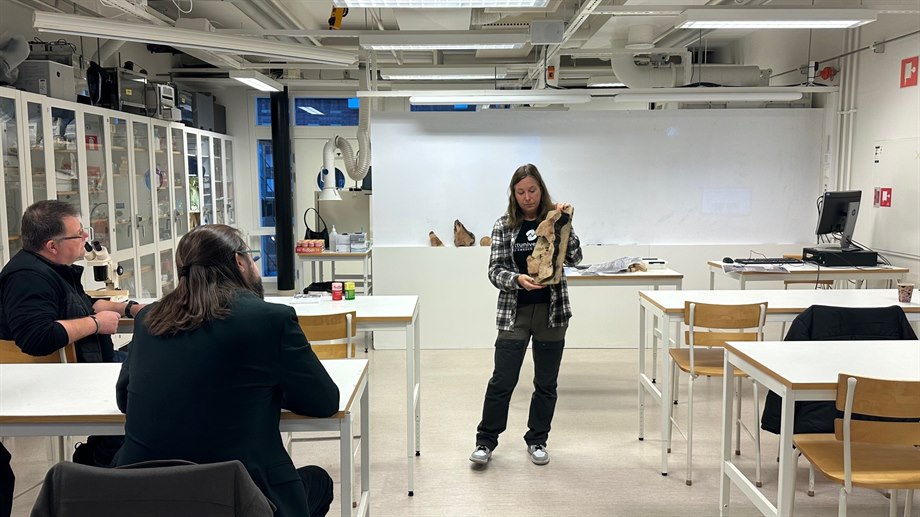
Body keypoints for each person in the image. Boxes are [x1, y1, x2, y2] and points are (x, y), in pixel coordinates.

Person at [115, 224, 340, 517]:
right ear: (239, 261)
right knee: (319, 481)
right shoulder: (271, 319)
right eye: (251, 257)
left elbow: (125, 399)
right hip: (241, 500)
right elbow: (324, 401)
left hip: (145, 496)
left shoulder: (149, 318)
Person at [0, 200, 142, 495]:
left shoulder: (50, 268)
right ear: (52, 246)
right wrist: (95, 324)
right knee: (143, 385)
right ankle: (98, 471)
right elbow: (36, 337)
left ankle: (100, 460)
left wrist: (127, 308)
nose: (85, 238)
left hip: (87, 362)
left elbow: (79, 304)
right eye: (78, 234)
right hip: (57, 378)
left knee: (146, 360)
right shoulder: (27, 278)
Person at [470, 163, 582, 467]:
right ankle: (485, 441)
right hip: (514, 314)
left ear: (541, 190)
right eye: (521, 192)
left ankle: (537, 440)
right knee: (502, 380)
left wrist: (564, 223)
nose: (527, 197)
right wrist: (517, 279)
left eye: (532, 190)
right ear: (513, 194)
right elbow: (495, 271)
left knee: (546, 383)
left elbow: (574, 257)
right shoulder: (504, 225)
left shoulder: (554, 219)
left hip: (552, 314)